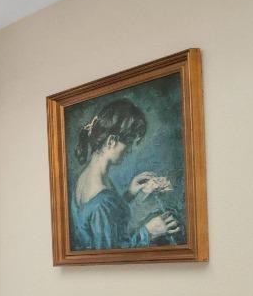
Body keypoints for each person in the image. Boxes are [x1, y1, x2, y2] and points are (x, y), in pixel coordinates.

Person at [70, 98, 179, 249]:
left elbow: (108, 220)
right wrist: (149, 232)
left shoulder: (88, 177)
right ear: (111, 141)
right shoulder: (102, 198)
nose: (130, 150)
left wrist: (129, 194)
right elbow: (109, 254)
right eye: (128, 143)